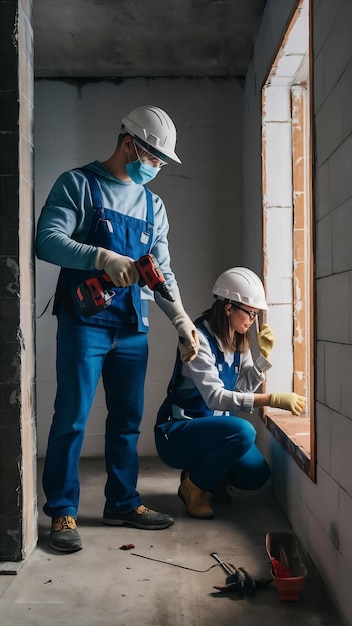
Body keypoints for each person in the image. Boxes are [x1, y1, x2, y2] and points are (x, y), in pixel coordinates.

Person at [36, 105, 200, 553]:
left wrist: (182, 319)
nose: (157, 168)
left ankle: (123, 503)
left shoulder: (153, 205)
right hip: (85, 321)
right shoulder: (79, 185)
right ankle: (63, 511)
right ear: (129, 144)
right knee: (71, 417)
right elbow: (46, 240)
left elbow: (160, 271)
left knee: (127, 420)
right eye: (153, 158)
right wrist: (101, 257)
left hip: (133, 325)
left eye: (162, 162)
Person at [154, 267, 306, 519]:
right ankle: (193, 488)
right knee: (244, 431)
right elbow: (216, 397)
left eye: (256, 314)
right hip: (178, 433)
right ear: (228, 308)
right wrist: (271, 399)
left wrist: (262, 359)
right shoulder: (198, 339)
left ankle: (205, 475)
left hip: (211, 431)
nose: (252, 321)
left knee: (256, 475)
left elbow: (239, 391)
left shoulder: (237, 340)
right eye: (250, 313)